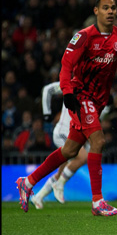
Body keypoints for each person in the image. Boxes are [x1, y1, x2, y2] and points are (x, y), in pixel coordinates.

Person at [15, 0, 117, 216]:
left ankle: (28, 182)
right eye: (105, 8)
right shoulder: (83, 36)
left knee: (69, 150)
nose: (111, 11)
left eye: (113, 8)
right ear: (96, 11)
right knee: (98, 141)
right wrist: (68, 93)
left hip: (98, 101)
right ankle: (98, 201)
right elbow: (66, 65)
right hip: (80, 96)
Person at [29, 81, 111, 209]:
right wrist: (46, 113)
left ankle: (38, 196)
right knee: (83, 157)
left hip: (77, 133)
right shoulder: (73, 83)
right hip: (64, 132)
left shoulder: (95, 91)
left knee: (62, 170)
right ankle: (59, 183)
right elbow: (48, 89)